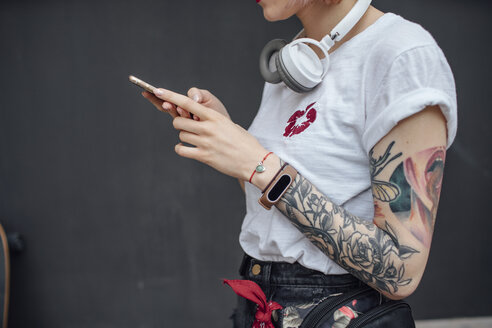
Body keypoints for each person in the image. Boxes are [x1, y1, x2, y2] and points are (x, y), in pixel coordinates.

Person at [141, 0, 457, 326]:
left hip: (338, 311)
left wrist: (260, 164)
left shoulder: (402, 56)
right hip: (259, 300)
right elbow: (272, 200)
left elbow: (402, 271)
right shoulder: (299, 60)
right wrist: (231, 138)